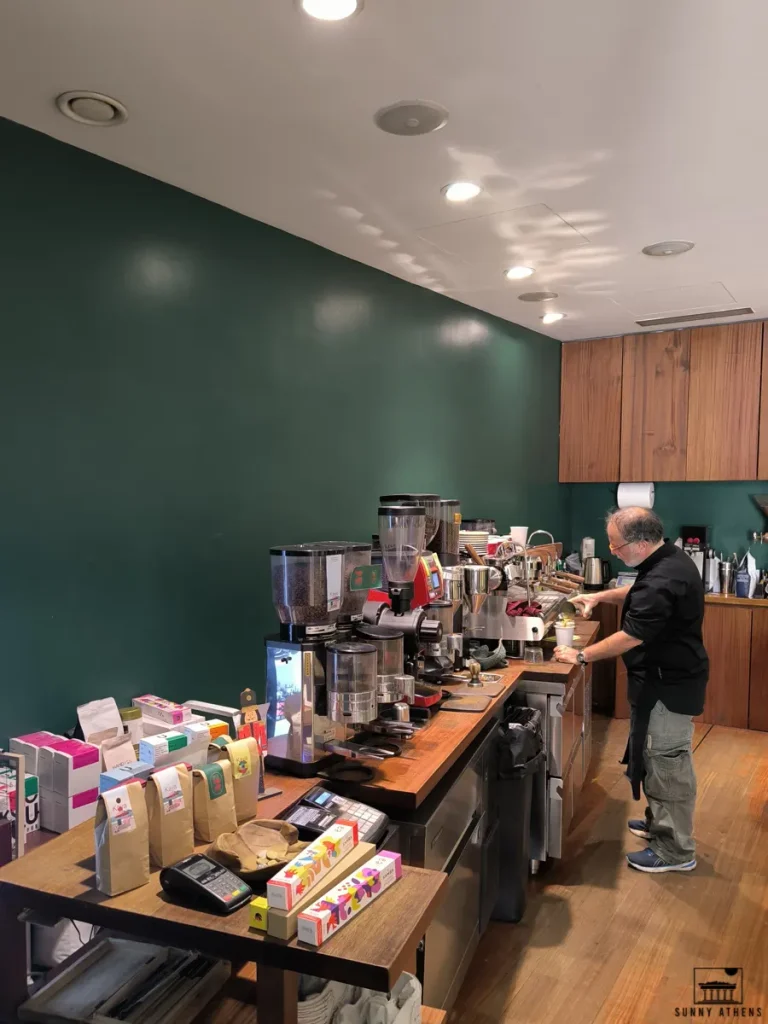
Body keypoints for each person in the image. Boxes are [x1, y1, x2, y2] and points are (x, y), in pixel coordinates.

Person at [554, 507, 708, 873]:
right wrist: (600, 597)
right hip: (661, 680)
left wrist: (581, 655)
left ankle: (675, 851)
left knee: (668, 764)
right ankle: (659, 824)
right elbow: (637, 590)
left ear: (640, 543)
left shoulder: (663, 579)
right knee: (655, 756)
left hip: (668, 686)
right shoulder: (665, 558)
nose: (611, 550)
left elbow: (632, 636)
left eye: (615, 544)